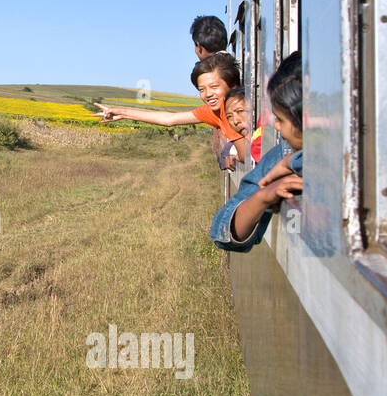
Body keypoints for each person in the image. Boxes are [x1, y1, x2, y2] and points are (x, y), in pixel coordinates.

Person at [210, 52, 303, 252]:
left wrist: (293, 162)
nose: (276, 126)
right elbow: (222, 230)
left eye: (281, 118)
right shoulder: (281, 155)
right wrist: (264, 196)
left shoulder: (285, 159)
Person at [94, 52, 246, 161]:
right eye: (202, 89)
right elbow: (169, 119)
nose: (207, 94)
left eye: (214, 86)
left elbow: (247, 154)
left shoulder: (235, 113)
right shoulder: (214, 111)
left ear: (233, 85)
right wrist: (121, 113)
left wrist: (235, 155)